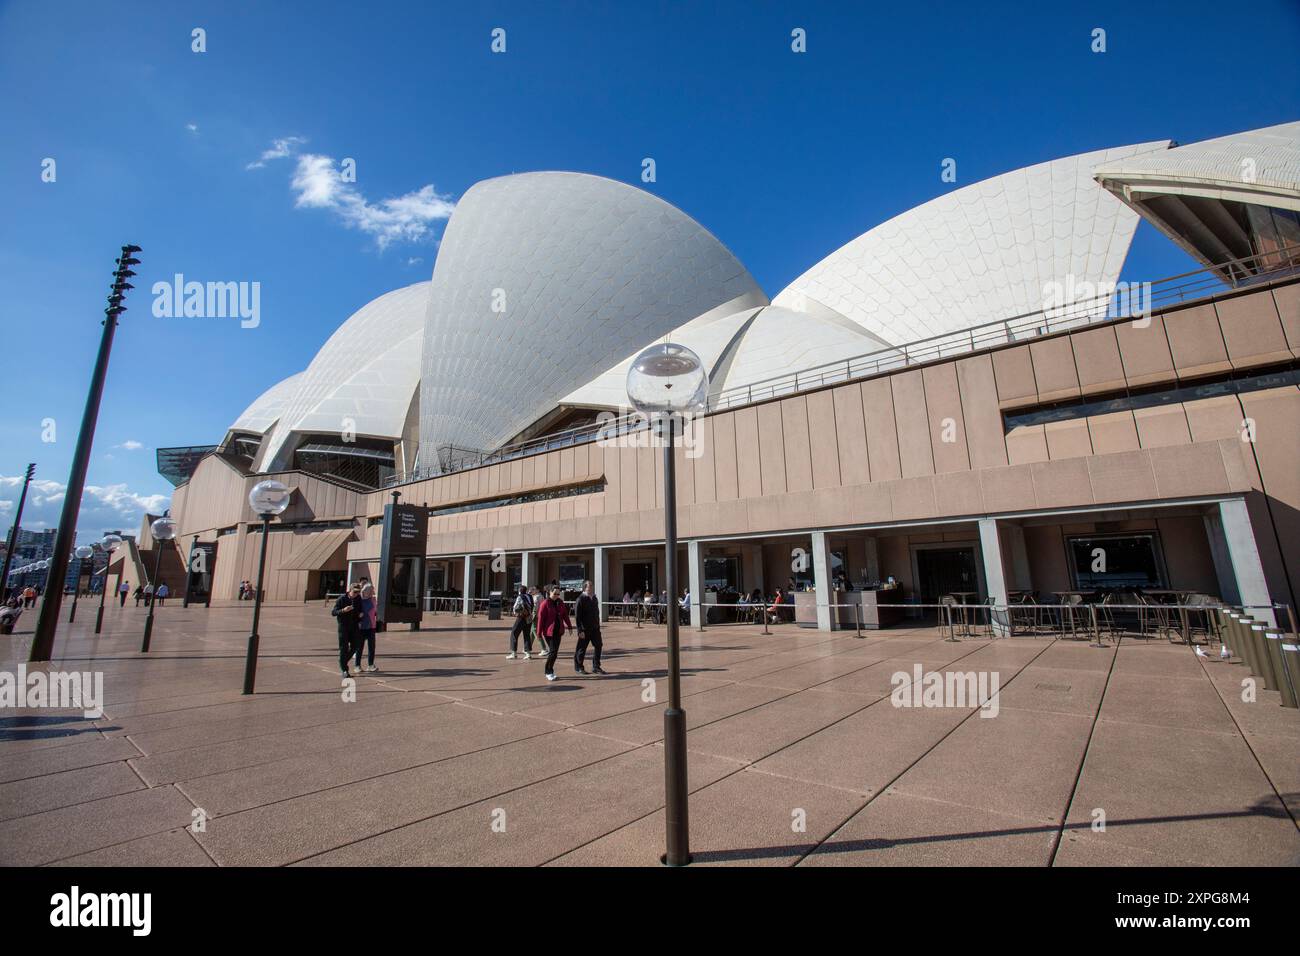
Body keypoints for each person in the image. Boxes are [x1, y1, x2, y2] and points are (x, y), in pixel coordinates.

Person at [536, 586, 571, 682]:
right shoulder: (545, 603)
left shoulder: (560, 602)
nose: (556, 596)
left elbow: (565, 615)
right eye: (555, 593)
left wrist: (569, 626)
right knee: (553, 652)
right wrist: (538, 633)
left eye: (558, 594)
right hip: (549, 632)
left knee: (554, 653)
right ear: (549, 593)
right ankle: (548, 671)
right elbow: (540, 619)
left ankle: (550, 670)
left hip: (558, 631)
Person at [573, 580, 605, 675]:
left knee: (598, 645)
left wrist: (598, 625)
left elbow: (597, 612)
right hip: (585, 629)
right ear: (585, 587)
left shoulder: (594, 598)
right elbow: (577, 617)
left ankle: (596, 667)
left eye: (592, 585)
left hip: (595, 628)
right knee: (582, 648)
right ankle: (579, 667)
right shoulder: (580, 599)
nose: (591, 587)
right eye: (589, 586)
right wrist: (580, 630)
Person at [332, 583, 363, 681]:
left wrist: (360, 615)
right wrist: (343, 610)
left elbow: (360, 609)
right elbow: (333, 612)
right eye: (355, 592)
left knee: (356, 646)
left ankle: (343, 661)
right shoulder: (342, 599)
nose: (357, 594)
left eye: (358, 592)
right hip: (343, 627)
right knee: (343, 648)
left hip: (354, 626)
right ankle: (344, 670)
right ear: (350, 590)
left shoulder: (358, 599)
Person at [353, 583, 378, 672]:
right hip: (361, 627)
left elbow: (376, 611)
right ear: (364, 591)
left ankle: (371, 665)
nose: (371, 592)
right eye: (369, 590)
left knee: (372, 647)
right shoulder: (358, 600)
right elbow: (354, 611)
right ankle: (357, 665)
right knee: (359, 647)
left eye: (372, 590)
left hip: (371, 626)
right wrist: (358, 616)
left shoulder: (373, 600)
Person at [507, 584, 535, 659]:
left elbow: (515, 607)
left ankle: (514, 653)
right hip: (529, 618)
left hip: (521, 617)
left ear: (519, 591)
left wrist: (515, 613)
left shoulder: (520, 597)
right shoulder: (530, 596)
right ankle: (528, 653)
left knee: (514, 633)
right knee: (527, 635)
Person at [529, 585, 548, 655]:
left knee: (535, 630)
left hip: (535, 616)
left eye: (534, 589)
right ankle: (528, 647)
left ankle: (544, 648)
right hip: (540, 616)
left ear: (537, 590)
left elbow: (535, 607)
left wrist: (532, 616)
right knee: (532, 632)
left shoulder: (536, 597)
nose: (532, 590)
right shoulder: (541, 596)